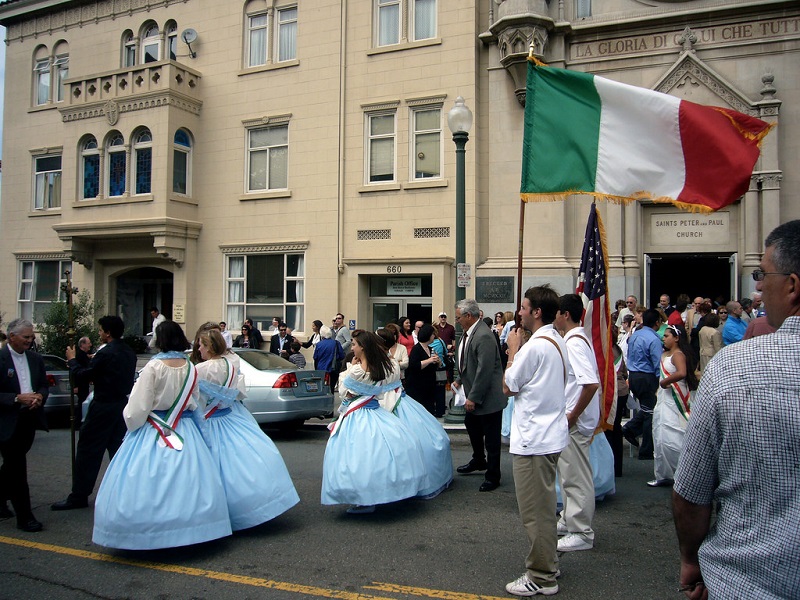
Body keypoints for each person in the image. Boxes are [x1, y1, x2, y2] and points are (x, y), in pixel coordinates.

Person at [673, 220, 800, 599]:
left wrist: (690, 559)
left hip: (747, 582)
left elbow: (692, 492)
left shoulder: (733, 368)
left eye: (763, 273)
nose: (758, 285)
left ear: (792, 285)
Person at [92, 321, 231, 550]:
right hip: (185, 428)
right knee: (192, 478)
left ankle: (152, 533)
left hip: (154, 427)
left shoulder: (153, 368)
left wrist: (131, 422)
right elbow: (195, 401)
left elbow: (138, 407)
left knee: (148, 482)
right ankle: (195, 528)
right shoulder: (189, 367)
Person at [194, 327, 299, 530]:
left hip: (211, 419)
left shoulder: (201, 369)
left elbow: (197, 400)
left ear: (208, 346)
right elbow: (239, 392)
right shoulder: (231, 363)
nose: (198, 349)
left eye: (200, 344)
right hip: (231, 417)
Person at [502, 285, 569, 597]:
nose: (520, 312)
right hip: (548, 435)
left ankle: (541, 576)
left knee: (536, 513)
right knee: (543, 508)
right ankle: (548, 562)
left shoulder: (534, 346)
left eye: (524, 307)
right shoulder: (555, 340)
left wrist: (514, 349)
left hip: (534, 439)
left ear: (537, 312)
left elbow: (509, 385)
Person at [321, 330, 426, 514]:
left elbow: (345, 393)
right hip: (375, 411)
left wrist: (346, 370)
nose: (352, 347)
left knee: (358, 457)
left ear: (363, 347)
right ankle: (383, 493)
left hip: (358, 414)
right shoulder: (383, 367)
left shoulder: (356, 370)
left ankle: (364, 499)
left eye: (354, 344)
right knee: (380, 453)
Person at [52, 316, 138, 512]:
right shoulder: (129, 352)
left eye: (100, 331)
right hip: (122, 406)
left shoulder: (106, 353)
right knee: (118, 452)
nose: (98, 334)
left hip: (103, 405)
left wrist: (73, 361)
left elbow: (83, 376)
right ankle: (124, 493)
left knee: (88, 451)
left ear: (107, 332)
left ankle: (79, 495)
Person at [376, 328, 453, 498]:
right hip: (399, 394)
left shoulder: (385, 362)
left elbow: (410, 367)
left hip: (391, 399)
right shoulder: (390, 360)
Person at [554, 294, 601, 552]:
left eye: (557, 313)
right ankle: (569, 518)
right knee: (568, 474)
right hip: (571, 420)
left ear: (566, 315)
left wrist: (573, 415)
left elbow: (590, 383)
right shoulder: (573, 340)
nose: (555, 317)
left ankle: (582, 531)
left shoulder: (574, 344)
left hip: (575, 422)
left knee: (576, 476)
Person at [452, 299, 506, 492]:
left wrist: (473, 397)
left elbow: (485, 370)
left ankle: (493, 475)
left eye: (459, 317)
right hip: (474, 391)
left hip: (488, 397)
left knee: (491, 438)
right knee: (471, 425)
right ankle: (478, 459)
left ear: (469, 316)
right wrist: (459, 379)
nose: (456, 320)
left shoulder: (483, 335)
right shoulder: (469, 333)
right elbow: (468, 361)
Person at [0, 319, 48, 532]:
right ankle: (25, 517)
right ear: (12, 337)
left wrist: (39, 396)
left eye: (31, 337)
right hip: (6, 420)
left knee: (10, 466)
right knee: (17, 467)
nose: (31, 340)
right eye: (26, 337)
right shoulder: (0, 359)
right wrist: (16, 398)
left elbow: (43, 386)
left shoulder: (35, 359)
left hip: (29, 419)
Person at [649, 324, 697, 488]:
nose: (664, 338)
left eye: (667, 336)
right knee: (660, 434)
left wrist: (665, 381)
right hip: (664, 398)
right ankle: (664, 473)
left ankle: (682, 473)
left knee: (674, 433)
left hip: (675, 398)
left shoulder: (678, 354)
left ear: (676, 338)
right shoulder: (664, 354)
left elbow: (682, 373)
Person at [621, 309, 663, 460]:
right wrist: (660, 382)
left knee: (646, 409)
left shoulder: (634, 336)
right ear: (657, 322)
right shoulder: (654, 339)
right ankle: (646, 449)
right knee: (650, 413)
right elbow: (657, 362)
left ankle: (630, 429)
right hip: (647, 376)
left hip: (634, 376)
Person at [403, 323, 441, 416]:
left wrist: (438, 361)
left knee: (429, 410)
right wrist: (429, 360)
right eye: (432, 334)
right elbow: (414, 366)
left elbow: (435, 366)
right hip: (417, 387)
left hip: (429, 386)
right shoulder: (416, 349)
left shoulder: (431, 349)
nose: (434, 336)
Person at [314, 326, 344, 391]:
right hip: (334, 369)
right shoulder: (336, 343)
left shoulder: (319, 344)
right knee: (331, 387)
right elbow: (342, 356)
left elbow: (315, 358)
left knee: (322, 388)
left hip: (321, 369)